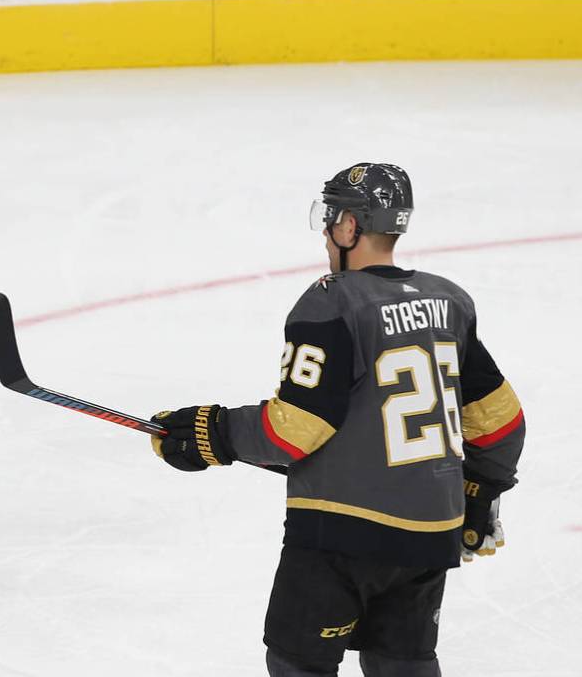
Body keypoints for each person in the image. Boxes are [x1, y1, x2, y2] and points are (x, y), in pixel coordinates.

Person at [149, 163, 524, 676]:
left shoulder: (334, 301)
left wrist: (210, 433)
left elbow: (293, 430)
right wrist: (480, 495)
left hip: (341, 538)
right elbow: (501, 422)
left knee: (298, 662)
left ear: (350, 226)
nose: (326, 233)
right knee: (403, 664)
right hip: (430, 534)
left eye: (331, 219)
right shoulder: (449, 301)